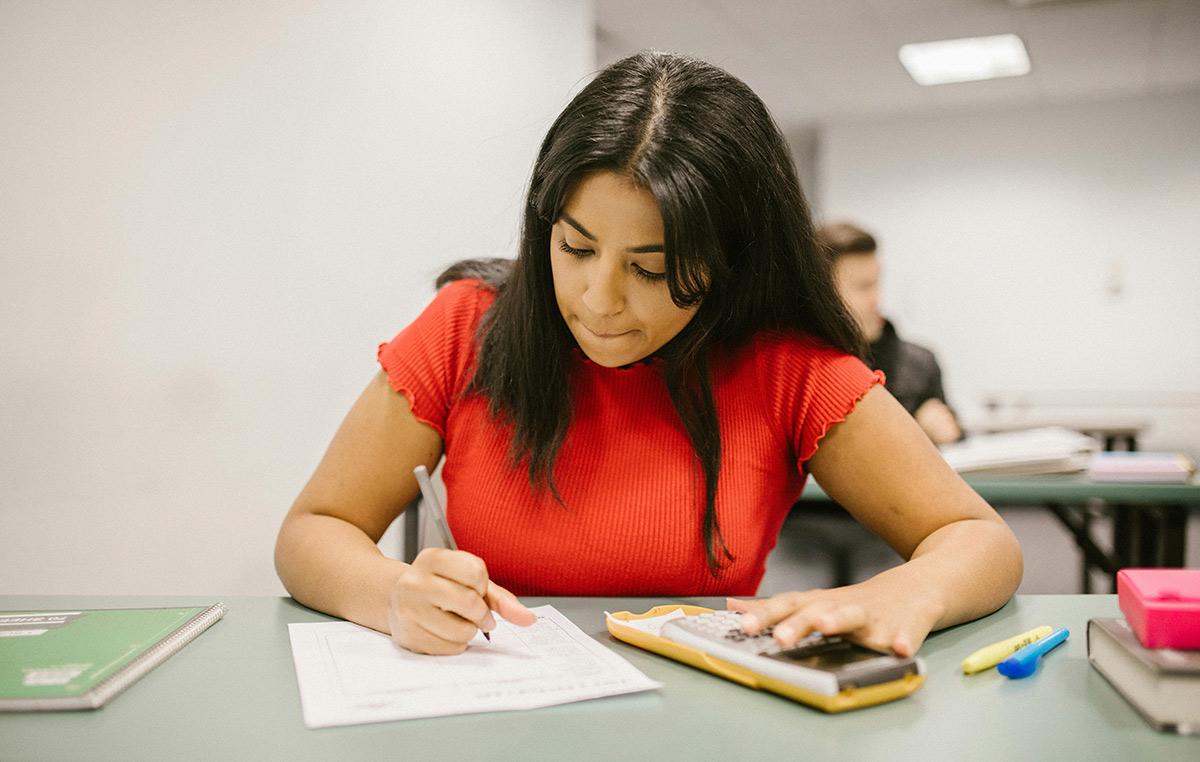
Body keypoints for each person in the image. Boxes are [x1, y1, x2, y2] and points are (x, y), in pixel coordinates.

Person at [275, 51, 1022, 658]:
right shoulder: (467, 327)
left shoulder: (786, 368)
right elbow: (314, 530)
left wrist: (894, 593)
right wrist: (392, 594)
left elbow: (980, 541)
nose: (599, 299)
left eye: (652, 268)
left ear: (729, 261)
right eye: (574, 246)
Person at [819, 222, 963, 445]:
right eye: (863, 287)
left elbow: (953, 443)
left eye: (877, 283)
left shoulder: (920, 364)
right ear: (823, 296)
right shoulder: (804, 371)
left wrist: (947, 432)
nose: (876, 299)